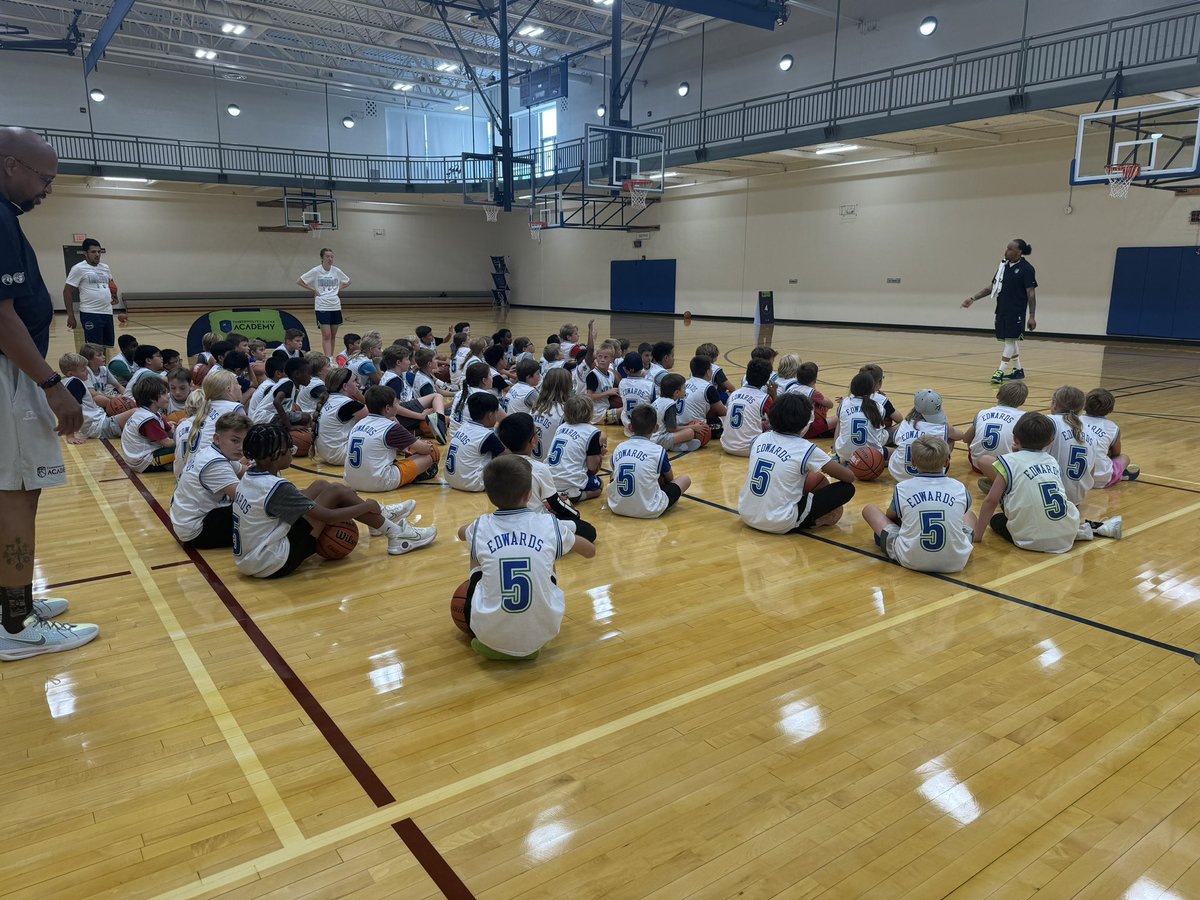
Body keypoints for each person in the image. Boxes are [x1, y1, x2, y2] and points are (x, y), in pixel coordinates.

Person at [0, 127, 98, 659]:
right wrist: (52, 384)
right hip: (11, 376)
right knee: (17, 495)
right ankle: (15, 628)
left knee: (10, 495)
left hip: (13, 375)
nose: (47, 188)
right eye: (44, 177)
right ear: (10, 164)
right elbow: (2, 316)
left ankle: (9, 606)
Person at [233, 425, 434, 577]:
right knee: (336, 491)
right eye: (290, 449)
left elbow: (293, 498)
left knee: (321, 485)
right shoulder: (276, 488)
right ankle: (395, 532)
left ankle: (382, 522)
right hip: (273, 562)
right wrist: (367, 506)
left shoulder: (250, 477)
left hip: (251, 557)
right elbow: (328, 516)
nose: (293, 451)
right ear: (276, 456)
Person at [455, 456, 595, 661]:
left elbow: (460, 533)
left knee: (476, 549)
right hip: (544, 632)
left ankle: (492, 638)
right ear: (529, 495)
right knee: (550, 554)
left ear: (489, 495)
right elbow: (589, 551)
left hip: (487, 635)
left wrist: (475, 530)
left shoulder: (481, 525)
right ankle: (530, 637)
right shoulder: (549, 524)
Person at [974, 412, 1120, 551]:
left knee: (995, 519)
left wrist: (978, 536)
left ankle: (1081, 530)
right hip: (1065, 536)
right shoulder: (1052, 462)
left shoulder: (1007, 461)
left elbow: (990, 502)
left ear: (1015, 439)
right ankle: (1085, 528)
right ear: (1050, 441)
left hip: (1029, 540)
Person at [738, 393, 856, 534]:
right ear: (805, 422)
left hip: (746, 513)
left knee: (806, 477)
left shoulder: (760, 438)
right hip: (780, 523)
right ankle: (814, 520)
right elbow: (849, 477)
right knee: (847, 489)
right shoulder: (806, 448)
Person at [863, 435, 976, 573]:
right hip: (956, 562)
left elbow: (891, 518)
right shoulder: (959, 487)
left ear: (913, 462)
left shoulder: (902, 488)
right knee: (970, 514)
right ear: (946, 462)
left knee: (869, 510)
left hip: (910, 560)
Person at [496, 411, 598, 542]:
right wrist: (575, 515)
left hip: (506, 520)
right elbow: (555, 503)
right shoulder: (539, 468)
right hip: (536, 523)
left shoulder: (498, 465)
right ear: (533, 441)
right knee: (589, 531)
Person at [170, 411, 250, 547]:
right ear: (217, 439)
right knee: (259, 513)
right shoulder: (215, 463)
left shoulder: (213, 452)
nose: (241, 447)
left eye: (245, 441)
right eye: (235, 440)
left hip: (188, 523)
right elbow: (243, 498)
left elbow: (246, 472)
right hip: (197, 531)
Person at [962, 238, 1037, 383]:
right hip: (1002, 308)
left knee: (1010, 340)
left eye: (1010, 249)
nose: (1006, 252)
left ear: (1019, 252)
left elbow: (1031, 293)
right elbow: (991, 287)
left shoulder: (1027, 269)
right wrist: (973, 298)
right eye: (1006, 248)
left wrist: (1032, 316)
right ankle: (1018, 370)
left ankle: (1000, 371)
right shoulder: (1003, 266)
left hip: (1016, 311)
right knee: (1010, 339)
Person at [343, 385, 440, 492]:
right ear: (388, 408)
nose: (398, 405)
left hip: (351, 481)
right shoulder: (390, 426)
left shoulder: (358, 424)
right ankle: (414, 476)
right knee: (431, 453)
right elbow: (426, 449)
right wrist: (427, 444)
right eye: (396, 403)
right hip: (377, 483)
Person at [607, 404, 691, 519]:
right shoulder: (658, 450)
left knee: (614, 472)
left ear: (630, 427)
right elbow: (670, 478)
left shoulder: (619, 447)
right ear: (656, 428)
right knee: (685, 479)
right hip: (649, 509)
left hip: (617, 507)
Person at [59, 351, 136, 444]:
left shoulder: (66, 382)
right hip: (98, 426)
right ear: (71, 374)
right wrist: (70, 435)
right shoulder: (74, 383)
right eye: (83, 370)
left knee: (139, 417)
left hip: (98, 423)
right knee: (138, 412)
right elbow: (70, 410)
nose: (87, 371)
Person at [888, 389, 964, 482]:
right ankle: (938, 468)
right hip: (928, 476)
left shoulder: (905, 423)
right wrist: (949, 429)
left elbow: (893, 437)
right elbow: (961, 435)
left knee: (901, 445)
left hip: (898, 474)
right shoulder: (943, 428)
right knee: (950, 439)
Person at [64, 237, 119, 353]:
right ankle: (92, 371)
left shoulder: (105, 268)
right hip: (90, 313)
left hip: (107, 312)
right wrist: (70, 315)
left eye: (99, 252)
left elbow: (111, 284)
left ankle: (103, 370)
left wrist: (114, 296)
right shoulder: (78, 268)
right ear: (85, 253)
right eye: (93, 252)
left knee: (106, 348)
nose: (97, 255)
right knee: (94, 350)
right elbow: (67, 291)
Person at [546, 396, 606, 503]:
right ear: (590, 412)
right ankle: (576, 496)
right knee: (599, 486)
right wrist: (599, 454)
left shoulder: (561, 427)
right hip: (569, 483)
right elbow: (592, 468)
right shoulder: (593, 432)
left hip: (548, 481)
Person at [444, 392, 507, 493]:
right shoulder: (486, 435)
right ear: (491, 415)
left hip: (451, 480)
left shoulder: (463, 427)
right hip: (473, 483)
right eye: (496, 412)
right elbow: (506, 456)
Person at [1045, 385, 1096, 507]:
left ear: (1054, 403)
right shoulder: (1091, 433)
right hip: (1075, 500)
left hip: (1047, 496)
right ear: (1081, 407)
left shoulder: (1049, 421)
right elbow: (1092, 470)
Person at [296, 248, 350, 358]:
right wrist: (313, 290)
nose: (330, 259)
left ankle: (331, 357)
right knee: (327, 335)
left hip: (335, 305)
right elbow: (300, 281)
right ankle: (328, 359)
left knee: (333, 335)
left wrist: (338, 289)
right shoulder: (316, 271)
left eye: (331, 256)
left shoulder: (336, 271)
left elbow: (348, 281)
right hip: (322, 305)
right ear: (322, 258)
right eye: (327, 256)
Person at [1083, 388, 1140, 487]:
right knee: (1124, 457)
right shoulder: (1112, 427)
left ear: (1084, 404)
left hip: (1075, 478)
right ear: (1111, 409)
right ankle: (1119, 475)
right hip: (1101, 480)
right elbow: (1116, 453)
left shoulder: (1074, 421)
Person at [120, 376, 176, 474]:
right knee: (185, 446)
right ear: (152, 399)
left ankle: (168, 465)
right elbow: (167, 443)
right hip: (143, 462)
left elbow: (171, 432)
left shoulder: (152, 414)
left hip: (139, 458)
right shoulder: (148, 419)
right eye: (163, 393)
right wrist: (186, 437)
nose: (168, 396)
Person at [832, 371, 889, 463]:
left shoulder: (843, 404)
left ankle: (834, 453)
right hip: (871, 455)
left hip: (844, 454)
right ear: (872, 389)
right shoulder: (879, 407)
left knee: (841, 423)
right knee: (892, 448)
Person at [312, 368, 367, 464]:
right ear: (345, 386)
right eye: (354, 381)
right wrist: (359, 395)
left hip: (327, 453)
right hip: (340, 454)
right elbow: (379, 414)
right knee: (383, 421)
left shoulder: (328, 399)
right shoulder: (348, 404)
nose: (358, 384)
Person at [720, 358, 772, 457]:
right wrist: (774, 395)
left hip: (726, 445)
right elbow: (779, 422)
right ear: (766, 380)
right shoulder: (764, 398)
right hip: (750, 448)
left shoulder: (734, 394)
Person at [651, 374, 701, 452]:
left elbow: (667, 424)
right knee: (690, 432)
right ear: (677, 393)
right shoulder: (670, 404)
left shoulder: (659, 400)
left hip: (650, 437)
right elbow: (671, 429)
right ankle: (673, 446)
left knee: (686, 427)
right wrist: (693, 427)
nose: (685, 390)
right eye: (684, 387)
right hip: (658, 440)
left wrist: (686, 424)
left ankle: (675, 444)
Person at [682, 355, 726, 437]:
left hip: (680, 426)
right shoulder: (707, 387)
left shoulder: (684, 383)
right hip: (697, 427)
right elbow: (723, 412)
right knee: (729, 419)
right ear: (708, 371)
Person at [617, 352, 656, 435]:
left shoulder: (622, 383)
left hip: (628, 428)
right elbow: (654, 405)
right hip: (645, 428)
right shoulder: (650, 384)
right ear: (642, 366)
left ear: (624, 369)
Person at [796, 362, 834, 439]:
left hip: (788, 427)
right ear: (815, 379)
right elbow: (830, 404)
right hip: (803, 431)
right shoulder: (812, 393)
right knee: (838, 418)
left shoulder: (791, 388)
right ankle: (821, 433)